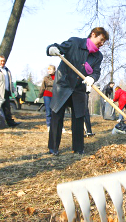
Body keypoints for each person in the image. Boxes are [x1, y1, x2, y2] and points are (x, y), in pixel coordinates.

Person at [46, 27, 109, 155]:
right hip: (63, 85)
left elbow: (96, 71)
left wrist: (92, 78)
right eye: (101, 40)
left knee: (79, 117)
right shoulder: (75, 43)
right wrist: (51, 49)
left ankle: (78, 148)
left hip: (79, 89)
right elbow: (57, 47)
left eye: (104, 42)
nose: (102, 44)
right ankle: (53, 148)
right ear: (93, 34)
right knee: (56, 116)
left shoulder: (98, 56)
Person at [0, 55, 21, 127]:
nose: (3, 62)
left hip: (6, 92)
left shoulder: (7, 70)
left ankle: (10, 123)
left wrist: (14, 91)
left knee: (7, 109)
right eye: (1, 61)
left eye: (4, 61)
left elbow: (10, 82)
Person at [34, 65, 66, 133]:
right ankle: (49, 126)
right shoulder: (46, 78)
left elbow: (61, 86)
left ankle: (61, 127)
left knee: (56, 112)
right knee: (48, 112)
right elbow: (42, 87)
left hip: (55, 96)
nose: (49, 71)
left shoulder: (58, 77)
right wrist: (38, 97)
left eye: (50, 69)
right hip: (47, 95)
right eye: (48, 69)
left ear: (54, 70)